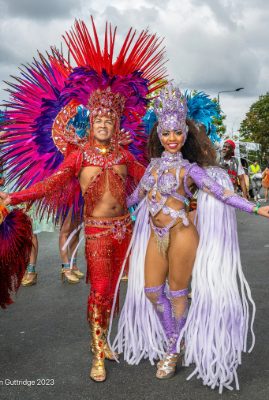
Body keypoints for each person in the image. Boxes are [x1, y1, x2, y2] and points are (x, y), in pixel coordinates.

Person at [0, 19, 166, 382]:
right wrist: (13, 194)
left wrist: (188, 179)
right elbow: (50, 184)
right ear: (91, 124)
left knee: (123, 288)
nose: (104, 124)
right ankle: (97, 352)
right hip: (98, 233)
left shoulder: (126, 158)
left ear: (117, 123)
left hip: (128, 230)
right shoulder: (78, 156)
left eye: (110, 119)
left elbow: (154, 176)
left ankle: (105, 339)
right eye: (98, 120)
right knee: (101, 290)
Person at [110, 84, 269, 393]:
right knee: (153, 291)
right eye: (167, 133)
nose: (172, 138)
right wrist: (104, 201)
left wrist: (255, 207)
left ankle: (172, 348)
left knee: (177, 292)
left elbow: (222, 193)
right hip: (156, 235)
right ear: (159, 135)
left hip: (182, 234)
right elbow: (133, 198)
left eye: (177, 133)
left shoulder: (191, 170)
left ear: (185, 134)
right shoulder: (152, 167)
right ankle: (176, 333)